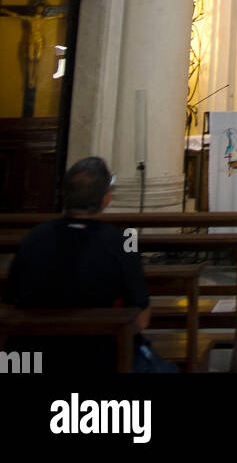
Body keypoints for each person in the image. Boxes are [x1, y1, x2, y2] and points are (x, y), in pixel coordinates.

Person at [3, 156, 173, 373]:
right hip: (102, 358)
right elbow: (141, 319)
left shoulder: (32, 238)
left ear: (64, 194)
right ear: (106, 200)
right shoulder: (124, 242)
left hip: (34, 359)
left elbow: (9, 303)